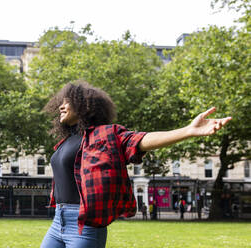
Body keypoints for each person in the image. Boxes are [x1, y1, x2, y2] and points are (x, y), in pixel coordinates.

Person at [40, 80, 231, 248]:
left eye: (67, 102)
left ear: (84, 105)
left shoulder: (104, 135)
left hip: (84, 225)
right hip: (58, 221)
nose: (61, 107)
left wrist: (188, 130)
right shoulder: (65, 142)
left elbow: (141, 140)